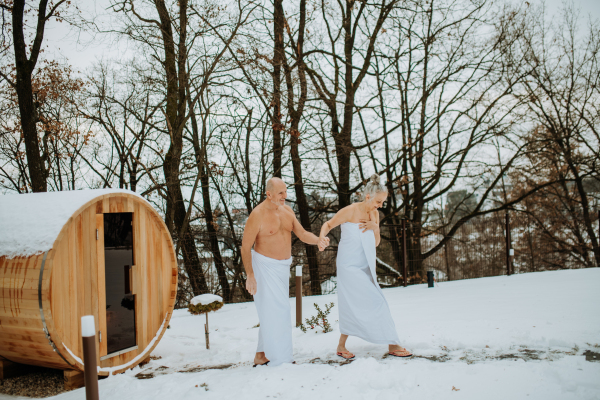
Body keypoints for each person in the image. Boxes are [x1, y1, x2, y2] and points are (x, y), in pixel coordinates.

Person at [318, 174, 412, 359]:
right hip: (348, 266)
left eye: (383, 202)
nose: (380, 205)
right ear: (368, 196)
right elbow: (328, 224)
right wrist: (322, 237)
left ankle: (341, 346)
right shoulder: (350, 211)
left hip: (365, 265)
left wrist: (375, 228)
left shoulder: (374, 214)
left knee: (355, 303)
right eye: (379, 201)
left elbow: (375, 243)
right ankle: (393, 344)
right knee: (375, 301)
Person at [242, 177, 328, 366]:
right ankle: (282, 360)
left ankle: (260, 355)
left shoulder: (287, 211)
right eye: (280, 193)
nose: (285, 196)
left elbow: (303, 233)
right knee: (279, 310)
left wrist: (318, 240)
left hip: (282, 268)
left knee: (270, 311)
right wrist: (250, 275)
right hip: (264, 267)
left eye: (286, 191)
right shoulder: (257, 215)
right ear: (269, 194)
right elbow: (245, 246)